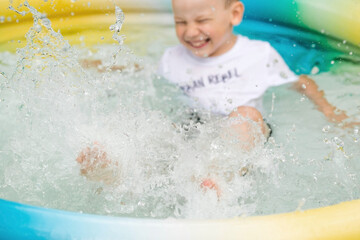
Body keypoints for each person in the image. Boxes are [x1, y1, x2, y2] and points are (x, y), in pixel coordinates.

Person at [77, 0, 353, 197]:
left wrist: (330, 111)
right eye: (180, 22)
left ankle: (216, 179)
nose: (190, 32)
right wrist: (105, 65)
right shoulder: (173, 58)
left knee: (246, 116)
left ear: (234, 14)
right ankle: (114, 168)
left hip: (244, 132)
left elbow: (300, 83)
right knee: (160, 130)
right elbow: (148, 73)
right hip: (192, 126)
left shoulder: (258, 53)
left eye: (202, 21)